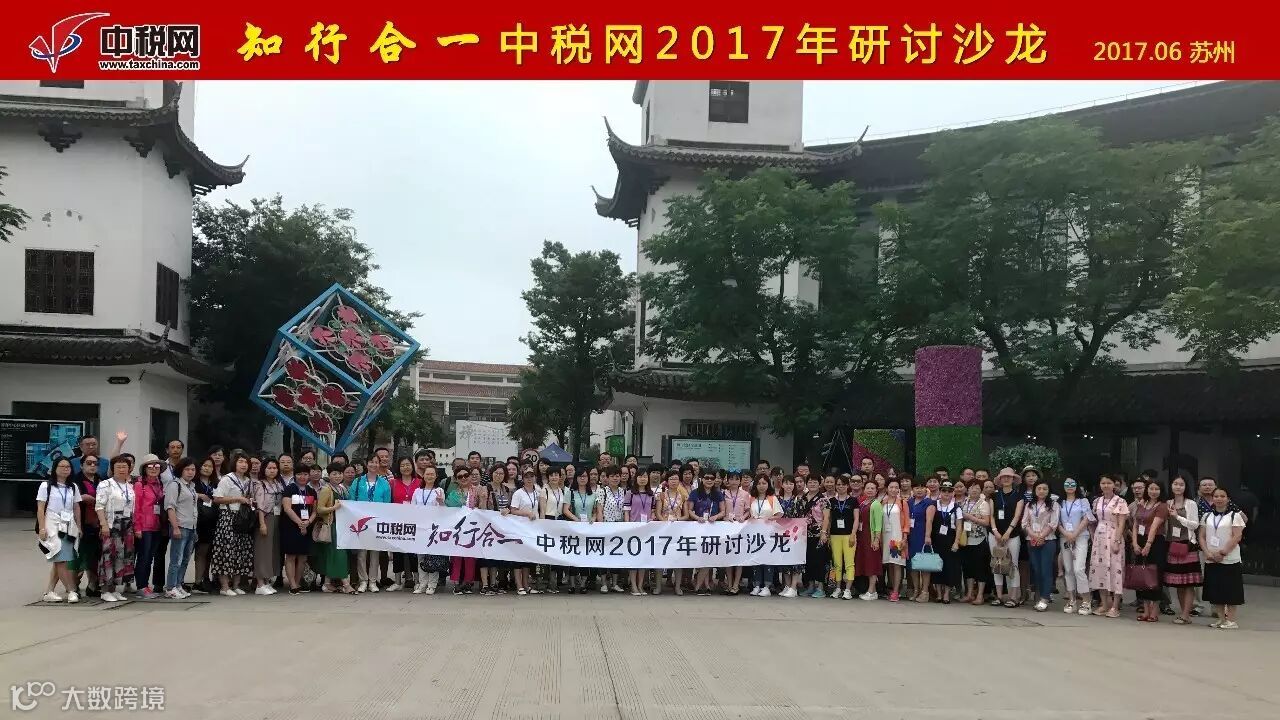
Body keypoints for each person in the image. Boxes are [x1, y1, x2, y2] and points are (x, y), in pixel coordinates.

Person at [37, 457, 82, 602]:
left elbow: (76, 507)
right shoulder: (46, 486)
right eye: (62, 466)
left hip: (68, 526)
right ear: (55, 469)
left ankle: (49, 592)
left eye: (68, 467)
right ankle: (71, 591)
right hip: (52, 524)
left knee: (61, 559)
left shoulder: (73, 487)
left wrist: (79, 526)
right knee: (60, 558)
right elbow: (40, 508)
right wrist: (42, 528)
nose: (65, 469)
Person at [1199, 487, 1245, 629]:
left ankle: (1231, 620)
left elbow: (1237, 536)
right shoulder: (1207, 516)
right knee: (1215, 589)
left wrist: (1223, 553)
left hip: (1229, 559)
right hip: (1211, 558)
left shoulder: (1234, 515)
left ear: (1228, 499)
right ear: (1212, 499)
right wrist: (1207, 552)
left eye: (1222, 496)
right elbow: (1201, 536)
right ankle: (1220, 619)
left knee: (1230, 589)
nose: (1219, 499)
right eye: (1216, 496)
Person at [211, 452, 255, 597]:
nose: (243, 465)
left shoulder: (248, 481)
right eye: (240, 461)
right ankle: (224, 586)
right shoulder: (227, 479)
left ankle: (236, 585)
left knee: (241, 551)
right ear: (234, 463)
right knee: (226, 551)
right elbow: (217, 499)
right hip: (228, 517)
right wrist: (237, 499)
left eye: (246, 462)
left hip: (243, 518)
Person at [95, 455, 137, 602]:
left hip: (127, 524)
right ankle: (105, 590)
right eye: (118, 467)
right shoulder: (106, 484)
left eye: (124, 467)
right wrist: (103, 524)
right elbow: (99, 506)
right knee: (109, 555)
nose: (121, 469)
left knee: (123, 556)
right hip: (112, 523)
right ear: (112, 469)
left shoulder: (130, 486)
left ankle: (115, 588)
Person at [349, 454, 391, 592]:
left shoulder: (384, 483)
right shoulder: (358, 481)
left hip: (377, 522)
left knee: (375, 553)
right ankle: (363, 581)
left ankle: (373, 581)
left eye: (376, 462)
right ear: (367, 464)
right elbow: (351, 500)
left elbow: (387, 503)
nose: (374, 464)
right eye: (371, 462)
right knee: (361, 553)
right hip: (361, 521)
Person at [1089, 474, 1129, 618]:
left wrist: (1117, 540)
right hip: (1099, 537)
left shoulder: (1120, 501)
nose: (1106, 485)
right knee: (1100, 569)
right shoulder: (1097, 501)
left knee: (1115, 569)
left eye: (1109, 483)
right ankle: (1104, 604)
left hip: (1113, 534)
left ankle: (1115, 606)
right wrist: (1093, 535)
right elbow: (1093, 521)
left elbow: (1122, 523)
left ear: (1114, 485)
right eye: (1103, 483)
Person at [1164, 475, 1202, 624]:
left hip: (1187, 544)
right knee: (1179, 583)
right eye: (1175, 484)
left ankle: (1186, 615)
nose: (1178, 487)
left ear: (1186, 487)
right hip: (1172, 544)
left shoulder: (1190, 503)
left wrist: (1178, 516)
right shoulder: (1168, 503)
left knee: (1188, 583)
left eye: (1181, 484)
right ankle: (1183, 613)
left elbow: (1195, 524)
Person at [128, 454, 166, 599]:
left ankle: (145, 585)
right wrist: (137, 527)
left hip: (157, 526)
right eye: (150, 466)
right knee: (143, 557)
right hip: (144, 526)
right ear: (144, 468)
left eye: (156, 466)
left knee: (150, 557)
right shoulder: (139, 484)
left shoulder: (159, 484)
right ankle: (141, 586)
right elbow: (136, 507)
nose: (153, 468)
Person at [314, 463, 356, 595]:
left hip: (341, 526)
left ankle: (327, 584)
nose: (337, 476)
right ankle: (346, 584)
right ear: (329, 475)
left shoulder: (341, 489)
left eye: (339, 473)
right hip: (332, 526)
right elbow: (320, 509)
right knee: (339, 555)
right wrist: (334, 508)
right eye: (334, 474)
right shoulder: (326, 489)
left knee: (333, 555)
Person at [1132, 480, 1168, 622]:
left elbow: (1154, 526)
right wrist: (1135, 543)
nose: (1153, 491)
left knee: (1155, 576)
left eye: (1157, 489)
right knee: (1143, 576)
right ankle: (1145, 610)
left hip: (1155, 542)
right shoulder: (1142, 504)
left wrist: (1148, 544)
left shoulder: (1162, 506)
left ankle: (1155, 610)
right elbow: (1135, 524)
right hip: (1140, 540)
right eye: (1151, 488)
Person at [1057, 478, 1095, 615]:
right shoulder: (1059, 502)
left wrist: (1075, 533)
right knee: (1068, 569)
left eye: (1072, 484)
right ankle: (1072, 600)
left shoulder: (1083, 501)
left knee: (1079, 568)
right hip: (1065, 537)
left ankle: (1086, 600)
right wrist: (1066, 534)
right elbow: (1056, 521)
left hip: (1081, 536)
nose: (1070, 486)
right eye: (1067, 484)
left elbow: (1087, 518)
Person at [162, 458, 198, 599]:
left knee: (185, 559)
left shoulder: (191, 486)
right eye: (187, 469)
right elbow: (170, 507)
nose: (190, 472)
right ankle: (170, 587)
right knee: (176, 559)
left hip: (191, 526)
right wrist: (175, 527)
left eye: (193, 469)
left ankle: (178, 585)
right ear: (181, 470)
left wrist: (195, 528)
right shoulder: (175, 485)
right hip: (180, 526)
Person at [1021, 479, 1059, 612]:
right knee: (1036, 569)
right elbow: (1024, 523)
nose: (1041, 491)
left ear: (1048, 491)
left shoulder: (1053, 504)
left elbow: (1053, 523)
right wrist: (1033, 535)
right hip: (1032, 540)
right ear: (1035, 490)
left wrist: (1041, 536)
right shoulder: (1029, 505)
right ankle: (1039, 595)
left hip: (1048, 540)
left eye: (1044, 489)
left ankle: (1045, 598)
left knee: (1046, 569)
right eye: (1039, 489)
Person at [989, 467, 1025, 607]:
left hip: (1012, 535)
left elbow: (1017, 516)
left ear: (1013, 479)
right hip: (995, 534)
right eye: (1003, 477)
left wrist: (1008, 532)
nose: (1006, 479)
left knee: (1013, 564)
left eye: (1009, 477)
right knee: (997, 564)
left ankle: (1014, 597)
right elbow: (991, 516)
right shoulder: (994, 495)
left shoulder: (1018, 496)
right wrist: (995, 531)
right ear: (1000, 479)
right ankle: (999, 596)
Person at [279, 465, 317, 594]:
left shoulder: (311, 491)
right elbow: (287, 508)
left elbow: (314, 511)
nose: (302, 477)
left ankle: (298, 581)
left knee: (303, 557)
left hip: (307, 526)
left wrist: (308, 522)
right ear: (295, 475)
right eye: (299, 474)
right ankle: (292, 584)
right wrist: (300, 523)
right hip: (291, 526)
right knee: (291, 555)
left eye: (305, 474)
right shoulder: (290, 489)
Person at [412, 465, 449, 595]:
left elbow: (444, 511)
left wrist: (441, 502)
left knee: (433, 557)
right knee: (421, 557)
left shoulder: (439, 490)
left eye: (432, 474)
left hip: (434, 529)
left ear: (436, 476)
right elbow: (411, 509)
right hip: (420, 528)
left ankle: (432, 584)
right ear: (423, 476)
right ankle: (422, 583)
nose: (429, 476)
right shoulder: (417, 491)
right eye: (427, 474)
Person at [68, 454, 101, 598]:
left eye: (95, 463)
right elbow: (68, 500)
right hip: (81, 523)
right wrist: (81, 498)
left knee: (95, 557)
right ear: (81, 465)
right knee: (79, 557)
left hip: (98, 523)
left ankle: (93, 585)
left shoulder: (101, 480)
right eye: (89, 463)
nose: (92, 466)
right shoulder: (75, 481)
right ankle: (74, 586)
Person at [688, 472, 725, 596]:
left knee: (708, 556)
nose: (709, 480)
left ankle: (700, 586)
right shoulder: (695, 493)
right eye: (707, 478)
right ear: (702, 479)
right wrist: (697, 517)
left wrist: (716, 517)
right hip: (698, 528)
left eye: (712, 478)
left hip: (713, 529)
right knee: (700, 557)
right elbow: (690, 510)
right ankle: (703, 585)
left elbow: (723, 511)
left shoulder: (718, 494)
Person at [445, 467, 481, 594]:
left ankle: (468, 582)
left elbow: (483, 508)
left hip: (473, 529)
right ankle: (456, 582)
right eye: (460, 476)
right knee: (456, 557)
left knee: (470, 557)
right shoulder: (453, 494)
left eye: (466, 475)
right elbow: (447, 510)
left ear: (470, 476)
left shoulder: (478, 491)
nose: (464, 478)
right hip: (457, 529)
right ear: (456, 479)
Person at [251, 457, 284, 595]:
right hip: (265, 518)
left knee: (272, 551)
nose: (272, 470)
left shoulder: (278, 483)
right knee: (262, 551)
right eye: (269, 468)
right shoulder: (260, 484)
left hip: (277, 518)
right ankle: (259, 583)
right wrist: (262, 524)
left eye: (274, 468)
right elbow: (260, 506)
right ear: (264, 469)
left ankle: (266, 581)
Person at [747, 474, 782, 597]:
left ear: (768, 484)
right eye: (759, 483)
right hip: (755, 534)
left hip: (769, 534)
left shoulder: (772, 498)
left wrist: (770, 518)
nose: (761, 486)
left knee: (767, 560)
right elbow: (748, 514)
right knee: (756, 559)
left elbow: (779, 514)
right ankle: (756, 585)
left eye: (764, 483)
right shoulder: (751, 498)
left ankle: (767, 586)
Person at [565, 468, 599, 594]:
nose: (582, 478)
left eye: (585, 476)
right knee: (573, 556)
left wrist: (593, 518)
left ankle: (583, 584)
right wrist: (576, 519)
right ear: (576, 478)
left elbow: (595, 511)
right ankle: (572, 584)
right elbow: (565, 509)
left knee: (585, 556)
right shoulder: (570, 492)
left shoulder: (593, 494)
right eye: (580, 476)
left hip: (588, 530)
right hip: (574, 528)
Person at [389, 457, 420, 592]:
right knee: (397, 552)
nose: (406, 467)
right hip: (397, 522)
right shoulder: (393, 483)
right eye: (402, 465)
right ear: (398, 468)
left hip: (415, 522)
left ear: (412, 466)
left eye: (408, 465)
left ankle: (417, 581)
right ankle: (397, 582)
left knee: (414, 553)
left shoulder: (420, 482)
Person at [958, 480, 991, 605]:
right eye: (972, 488)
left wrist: (971, 517)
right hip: (965, 540)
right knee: (968, 568)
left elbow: (986, 522)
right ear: (967, 490)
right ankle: (969, 594)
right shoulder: (963, 503)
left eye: (977, 488)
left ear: (981, 490)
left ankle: (980, 595)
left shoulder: (984, 504)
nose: (974, 490)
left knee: (980, 568)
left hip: (979, 540)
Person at [510, 469, 541, 595]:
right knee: (518, 558)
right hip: (520, 528)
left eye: (531, 476)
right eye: (526, 477)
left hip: (533, 529)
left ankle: (526, 585)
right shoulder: (518, 493)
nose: (529, 479)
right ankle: (519, 585)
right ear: (522, 479)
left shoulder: (538, 492)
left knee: (527, 558)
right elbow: (513, 510)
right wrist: (527, 513)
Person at [655, 470, 686, 595]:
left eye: (676, 479)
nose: (673, 481)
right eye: (671, 479)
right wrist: (665, 523)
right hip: (663, 530)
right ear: (667, 481)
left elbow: (686, 515)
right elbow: (658, 513)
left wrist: (677, 520)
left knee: (677, 558)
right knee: (660, 558)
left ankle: (677, 586)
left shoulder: (683, 496)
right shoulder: (661, 495)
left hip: (677, 529)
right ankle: (658, 587)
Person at [827, 475, 858, 599]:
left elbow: (856, 519)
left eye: (843, 484)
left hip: (848, 535)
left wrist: (853, 534)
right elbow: (829, 519)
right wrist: (828, 535)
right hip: (835, 535)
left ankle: (848, 589)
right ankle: (838, 588)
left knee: (849, 563)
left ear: (847, 485)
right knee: (837, 564)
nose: (841, 487)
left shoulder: (853, 501)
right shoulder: (832, 501)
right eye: (838, 484)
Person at [626, 468, 656, 596]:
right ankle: (633, 586)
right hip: (634, 529)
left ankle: (640, 585)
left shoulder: (651, 494)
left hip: (646, 530)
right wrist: (627, 526)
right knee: (634, 558)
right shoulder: (630, 493)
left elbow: (653, 511)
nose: (642, 479)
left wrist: (652, 518)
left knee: (643, 559)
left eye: (644, 477)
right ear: (636, 478)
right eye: (640, 476)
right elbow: (626, 511)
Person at [191, 457, 219, 594]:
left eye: (210, 466)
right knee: (200, 552)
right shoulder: (194, 482)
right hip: (198, 521)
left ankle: (207, 579)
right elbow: (186, 493)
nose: (207, 468)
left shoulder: (216, 483)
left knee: (210, 553)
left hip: (213, 521)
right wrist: (199, 495)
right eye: (204, 465)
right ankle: (197, 582)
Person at [931, 481, 961, 604]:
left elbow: (959, 526)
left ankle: (946, 594)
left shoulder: (956, 507)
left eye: (949, 491)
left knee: (949, 567)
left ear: (953, 493)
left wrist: (956, 542)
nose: (946, 493)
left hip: (950, 539)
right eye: (944, 490)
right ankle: (938, 593)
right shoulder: (934, 505)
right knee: (937, 566)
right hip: (936, 539)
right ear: (940, 492)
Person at [906, 480, 936, 603]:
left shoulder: (929, 503)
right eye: (916, 487)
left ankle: (925, 592)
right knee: (912, 564)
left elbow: (929, 521)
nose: (919, 490)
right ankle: (916, 589)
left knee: (924, 564)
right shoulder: (909, 502)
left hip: (922, 536)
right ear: (912, 489)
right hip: (911, 536)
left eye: (922, 487)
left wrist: (927, 536)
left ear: (926, 489)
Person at [879, 479, 909, 602]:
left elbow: (906, 521)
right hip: (885, 537)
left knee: (897, 564)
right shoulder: (883, 502)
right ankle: (892, 588)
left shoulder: (902, 502)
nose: (894, 489)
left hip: (897, 537)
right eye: (891, 487)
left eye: (896, 487)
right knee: (889, 563)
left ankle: (896, 591)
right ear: (887, 488)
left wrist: (905, 538)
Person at [777, 474, 807, 598]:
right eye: (786, 483)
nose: (789, 486)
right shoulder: (777, 500)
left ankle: (794, 587)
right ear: (782, 485)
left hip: (796, 535)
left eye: (791, 483)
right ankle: (787, 585)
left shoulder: (798, 500)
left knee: (795, 560)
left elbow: (802, 517)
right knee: (784, 560)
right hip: (782, 535)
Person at [854, 478, 883, 601]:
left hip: (870, 538)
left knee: (872, 564)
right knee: (866, 563)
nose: (870, 490)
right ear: (864, 489)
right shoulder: (863, 502)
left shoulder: (876, 504)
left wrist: (876, 539)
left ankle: (871, 591)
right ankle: (873, 590)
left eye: (872, 488)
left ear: (876, 491)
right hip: (862, 537)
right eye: (868, 488)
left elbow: (878, 524)